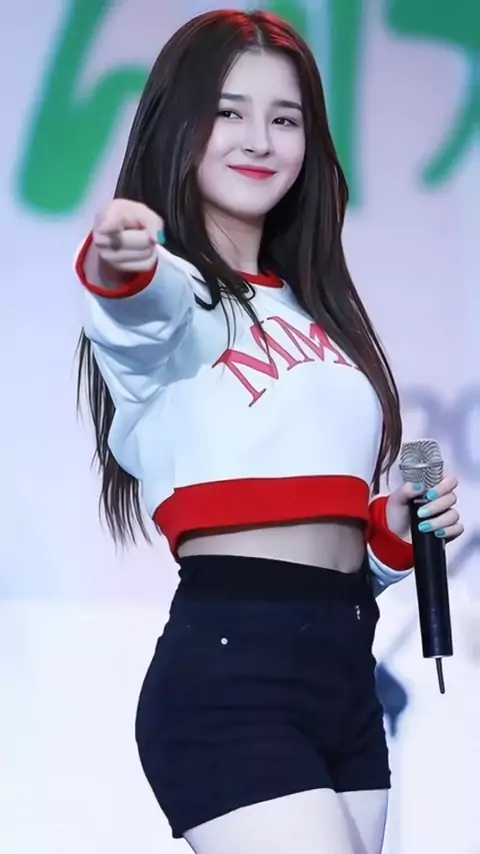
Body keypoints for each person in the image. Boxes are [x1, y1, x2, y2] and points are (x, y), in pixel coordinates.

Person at [74, 10, 464, 854]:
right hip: (230, 680)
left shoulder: (317, 313)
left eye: (284, 118)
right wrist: (120, 257)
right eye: (229, 112)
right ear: (180, 123)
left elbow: (328, 544)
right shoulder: (175, 295)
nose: (259, 139)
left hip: (345, 675)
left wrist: (390, 536)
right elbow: (132, 305)